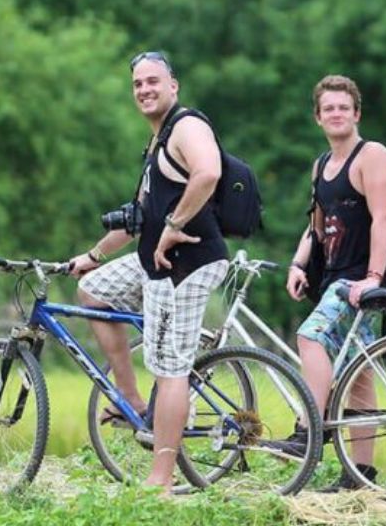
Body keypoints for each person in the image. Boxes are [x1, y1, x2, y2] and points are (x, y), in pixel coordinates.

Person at [66, 50, 229, 493]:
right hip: (154, 265)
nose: (145, 90)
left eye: (153, 81)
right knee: (94, 290)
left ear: (173, 85)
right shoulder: (156, 144)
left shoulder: (187, 127)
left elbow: (209, 172)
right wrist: (93, 256)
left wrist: (174, 226)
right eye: (138, 84)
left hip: (187, 265)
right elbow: (138, 216)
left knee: (170, 366)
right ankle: (130, 401)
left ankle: (161, 480)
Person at [269, 74, 386, 491]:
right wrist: (297, 264)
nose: (337, 114)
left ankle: (310, 428)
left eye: (344, 107)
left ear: (357, 113)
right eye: (329, 108)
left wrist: (374, 278)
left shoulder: (372, 156)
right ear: (318, 117)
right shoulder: (321, 166)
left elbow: (384, 218)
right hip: (331, 275)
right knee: (358, 375)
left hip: (359, 279)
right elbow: (316, 226)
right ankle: (359, 476)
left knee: (310, 339)